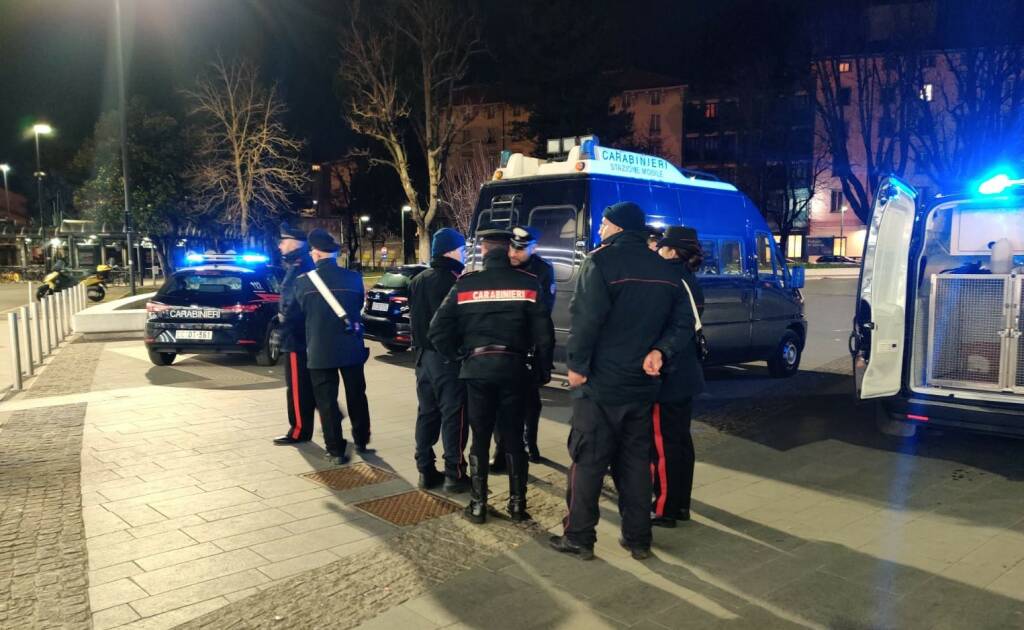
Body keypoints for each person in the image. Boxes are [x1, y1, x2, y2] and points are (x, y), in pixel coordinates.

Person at [549, 201, 694, 561]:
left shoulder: (598, 263)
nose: (599, 229)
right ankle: (638, 539)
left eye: (604, 224)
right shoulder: (666, 270)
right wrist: (661, 351)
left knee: (587, 461)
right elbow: (683, 325)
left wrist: (577, 365)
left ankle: (580, 537)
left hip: (599, 385)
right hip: (642, 385)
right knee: (634, 464)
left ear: (616, 227)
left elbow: (585, 319)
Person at [429, 226, 554, 524]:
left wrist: (459, 356)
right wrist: (541, 371)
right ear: (508, 249)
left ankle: (478, 505)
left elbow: (436, 330)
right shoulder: (529, 282)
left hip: (477, 371)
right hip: (514, 370)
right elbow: (546, 337)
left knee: (480, 437)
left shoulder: (465, 284)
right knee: (512, 438)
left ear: (483, 250)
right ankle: (517, 505)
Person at [284, 228, 372, 464]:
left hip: (320, 350)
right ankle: (362, 439)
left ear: (316, 254)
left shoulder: (303, 283)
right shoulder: (354, 278)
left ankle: (335, 450)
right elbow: (358, 305)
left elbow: (294, 314)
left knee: (326, 399)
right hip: (352, 347)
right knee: (356, 395)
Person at [651, 226, 705, 528]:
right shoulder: (689, 278)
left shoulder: (669, 278)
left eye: (661, 246)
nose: (657, 249)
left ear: (671, 250)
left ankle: (665, 507)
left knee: (664, 444)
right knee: (681, 442)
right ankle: (681, 504)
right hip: (686, 374)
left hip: (670, 375)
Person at [408, 228, 470, 492]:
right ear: (452, 251)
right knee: (453, 416)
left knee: (426, 414)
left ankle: (425, 469)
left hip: (423, 359)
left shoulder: (418, 280)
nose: (466, 253)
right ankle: (454, 474)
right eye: (463, 249)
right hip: (448, 359)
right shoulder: (456, 281)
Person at [490, 225, 556, 469]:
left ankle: (531, 442)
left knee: (531, 401)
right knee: (500, 402)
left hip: (529, 345)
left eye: (520, 249)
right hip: (504, 343)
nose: (514, 254)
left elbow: (543, 312)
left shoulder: (543, 270)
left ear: (534, 248)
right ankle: (501, 449)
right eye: (512, 248)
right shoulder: (503, 266)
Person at [273, 223, 317, 446]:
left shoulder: (299, 266)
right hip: (304, 335)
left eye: (283, 241)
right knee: (308, 384)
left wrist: (283, 322)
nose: (280, 245)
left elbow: (291, 304)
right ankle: (332, 414)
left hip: (296, 336)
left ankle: (299, 430)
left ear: (294, 243)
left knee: (297, 388)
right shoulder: (303, 263)